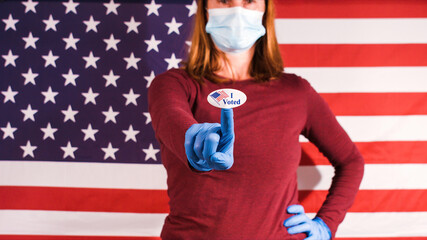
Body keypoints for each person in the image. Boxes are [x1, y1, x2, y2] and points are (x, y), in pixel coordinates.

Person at [147, 0, 365, 239]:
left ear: (265, 10)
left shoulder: (296, 92)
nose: (237, 10)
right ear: (205, 11)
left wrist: (325, 225)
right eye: (224, 0)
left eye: (249, 1)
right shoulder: (174, 85)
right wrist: (196, 141)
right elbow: (172, 118)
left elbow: (351, 161)